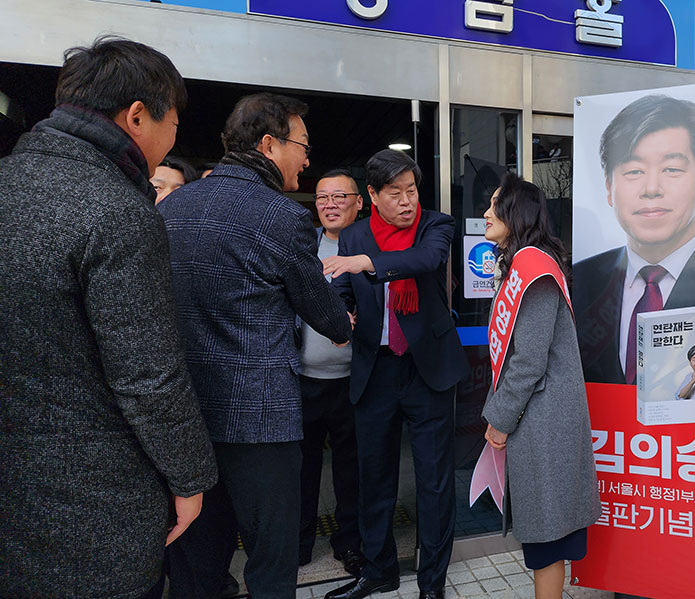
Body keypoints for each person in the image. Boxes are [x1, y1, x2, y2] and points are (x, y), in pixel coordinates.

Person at [0, 37, 217, 599]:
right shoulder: (118, 209)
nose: (172, 141)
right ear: (138, 116)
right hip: (94, 509)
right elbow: (148, 376)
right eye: (174, 124)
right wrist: (191, 479)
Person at [160, 92, 352, 599]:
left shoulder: (172, 206)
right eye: (302, 146)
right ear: (269, 144)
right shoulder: (281, 217)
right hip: (261, 421)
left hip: (185, 418)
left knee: (196, 561)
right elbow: (328, 317)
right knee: (271, 561)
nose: (307, 159)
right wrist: (345, 319)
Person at [324, 149, 469, 599]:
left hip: (428, 372)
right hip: (376, 369)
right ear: (372, 194)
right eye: (395, 193)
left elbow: (425, 261)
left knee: (434, 481)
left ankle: (432, 584)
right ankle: (378, 570)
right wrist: (341, 316)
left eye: (412, 191)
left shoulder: (436, 226)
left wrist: (369, 263)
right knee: (375, 479)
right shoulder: (354, 235)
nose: (407, 201)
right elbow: (343, 291)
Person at [480, 173, 601, 599]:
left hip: (543, 420)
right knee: (545, 537)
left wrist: (498, 419)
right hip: (537, 417)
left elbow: (529, 360)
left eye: (495, 205)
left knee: (548, 538)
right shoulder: (522, 263)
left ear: (518, 212)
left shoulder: (533, 268)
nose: (486, 214)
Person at [572, 94, 695, 385]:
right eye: (634, 171)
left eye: (671, 169)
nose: (651, 188)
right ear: (609, 187)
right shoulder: (581, 280)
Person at [298, 168, 365, 576]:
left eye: (341, 196)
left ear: (360, 202)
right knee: (301, 469)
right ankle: (300, 543)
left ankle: (350, 544)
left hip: (354, 381)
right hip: (303, 379)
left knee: (351, 470)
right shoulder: (303, 248)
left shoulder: (372, 250)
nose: (330, 204)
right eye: (323, 197)